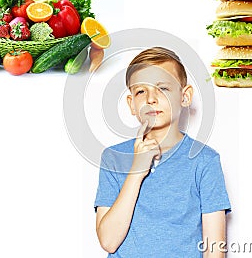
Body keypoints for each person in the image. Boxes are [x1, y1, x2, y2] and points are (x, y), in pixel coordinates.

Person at [94, 46, 231, 257]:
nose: (151, 98)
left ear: (184, 97)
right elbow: (109, 241)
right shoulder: (113, 158)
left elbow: (215, 249)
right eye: (141, 91)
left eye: (163, 88)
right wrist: (136, 172)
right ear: (132, 104)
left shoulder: (205, 161)